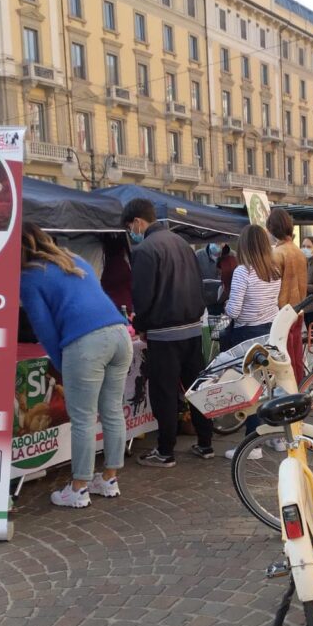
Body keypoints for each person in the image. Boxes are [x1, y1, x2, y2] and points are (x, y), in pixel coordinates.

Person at [19, 223, 133, 508]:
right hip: (120, 335)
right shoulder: (75, 259)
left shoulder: (29, 277)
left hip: (85, 343)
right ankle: (108, 479)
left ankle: (79, 487)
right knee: (112, 411)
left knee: (83, 418)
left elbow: (44, 329)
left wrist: (62, 366)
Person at [125, 198, 215, 468]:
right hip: (192, 328)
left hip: (164, 333)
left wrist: (140, 325)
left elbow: (142, 296)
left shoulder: (145, 250)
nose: (132, 232)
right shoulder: (182, 244)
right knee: (195, 388)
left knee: (164, 393)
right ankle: (206, 443)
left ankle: (165, 450)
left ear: (138, 222)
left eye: (131, 227)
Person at [223, 224, 283, 458]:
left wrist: (226, 305)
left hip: (246, 335)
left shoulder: (243, 272)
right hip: (269, 333)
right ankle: (276, 437)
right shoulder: (273, 271)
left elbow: (235, 310)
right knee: (268, 386)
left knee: (250, 390)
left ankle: (252, 444)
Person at [267, 208, 307, 384]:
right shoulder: (298, 251)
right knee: (297, 354)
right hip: (299, 310)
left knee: (286, 357)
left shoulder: (278, 253)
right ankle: (300, 387)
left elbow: (273, 284)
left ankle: (290, 392)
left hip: (283, 312)